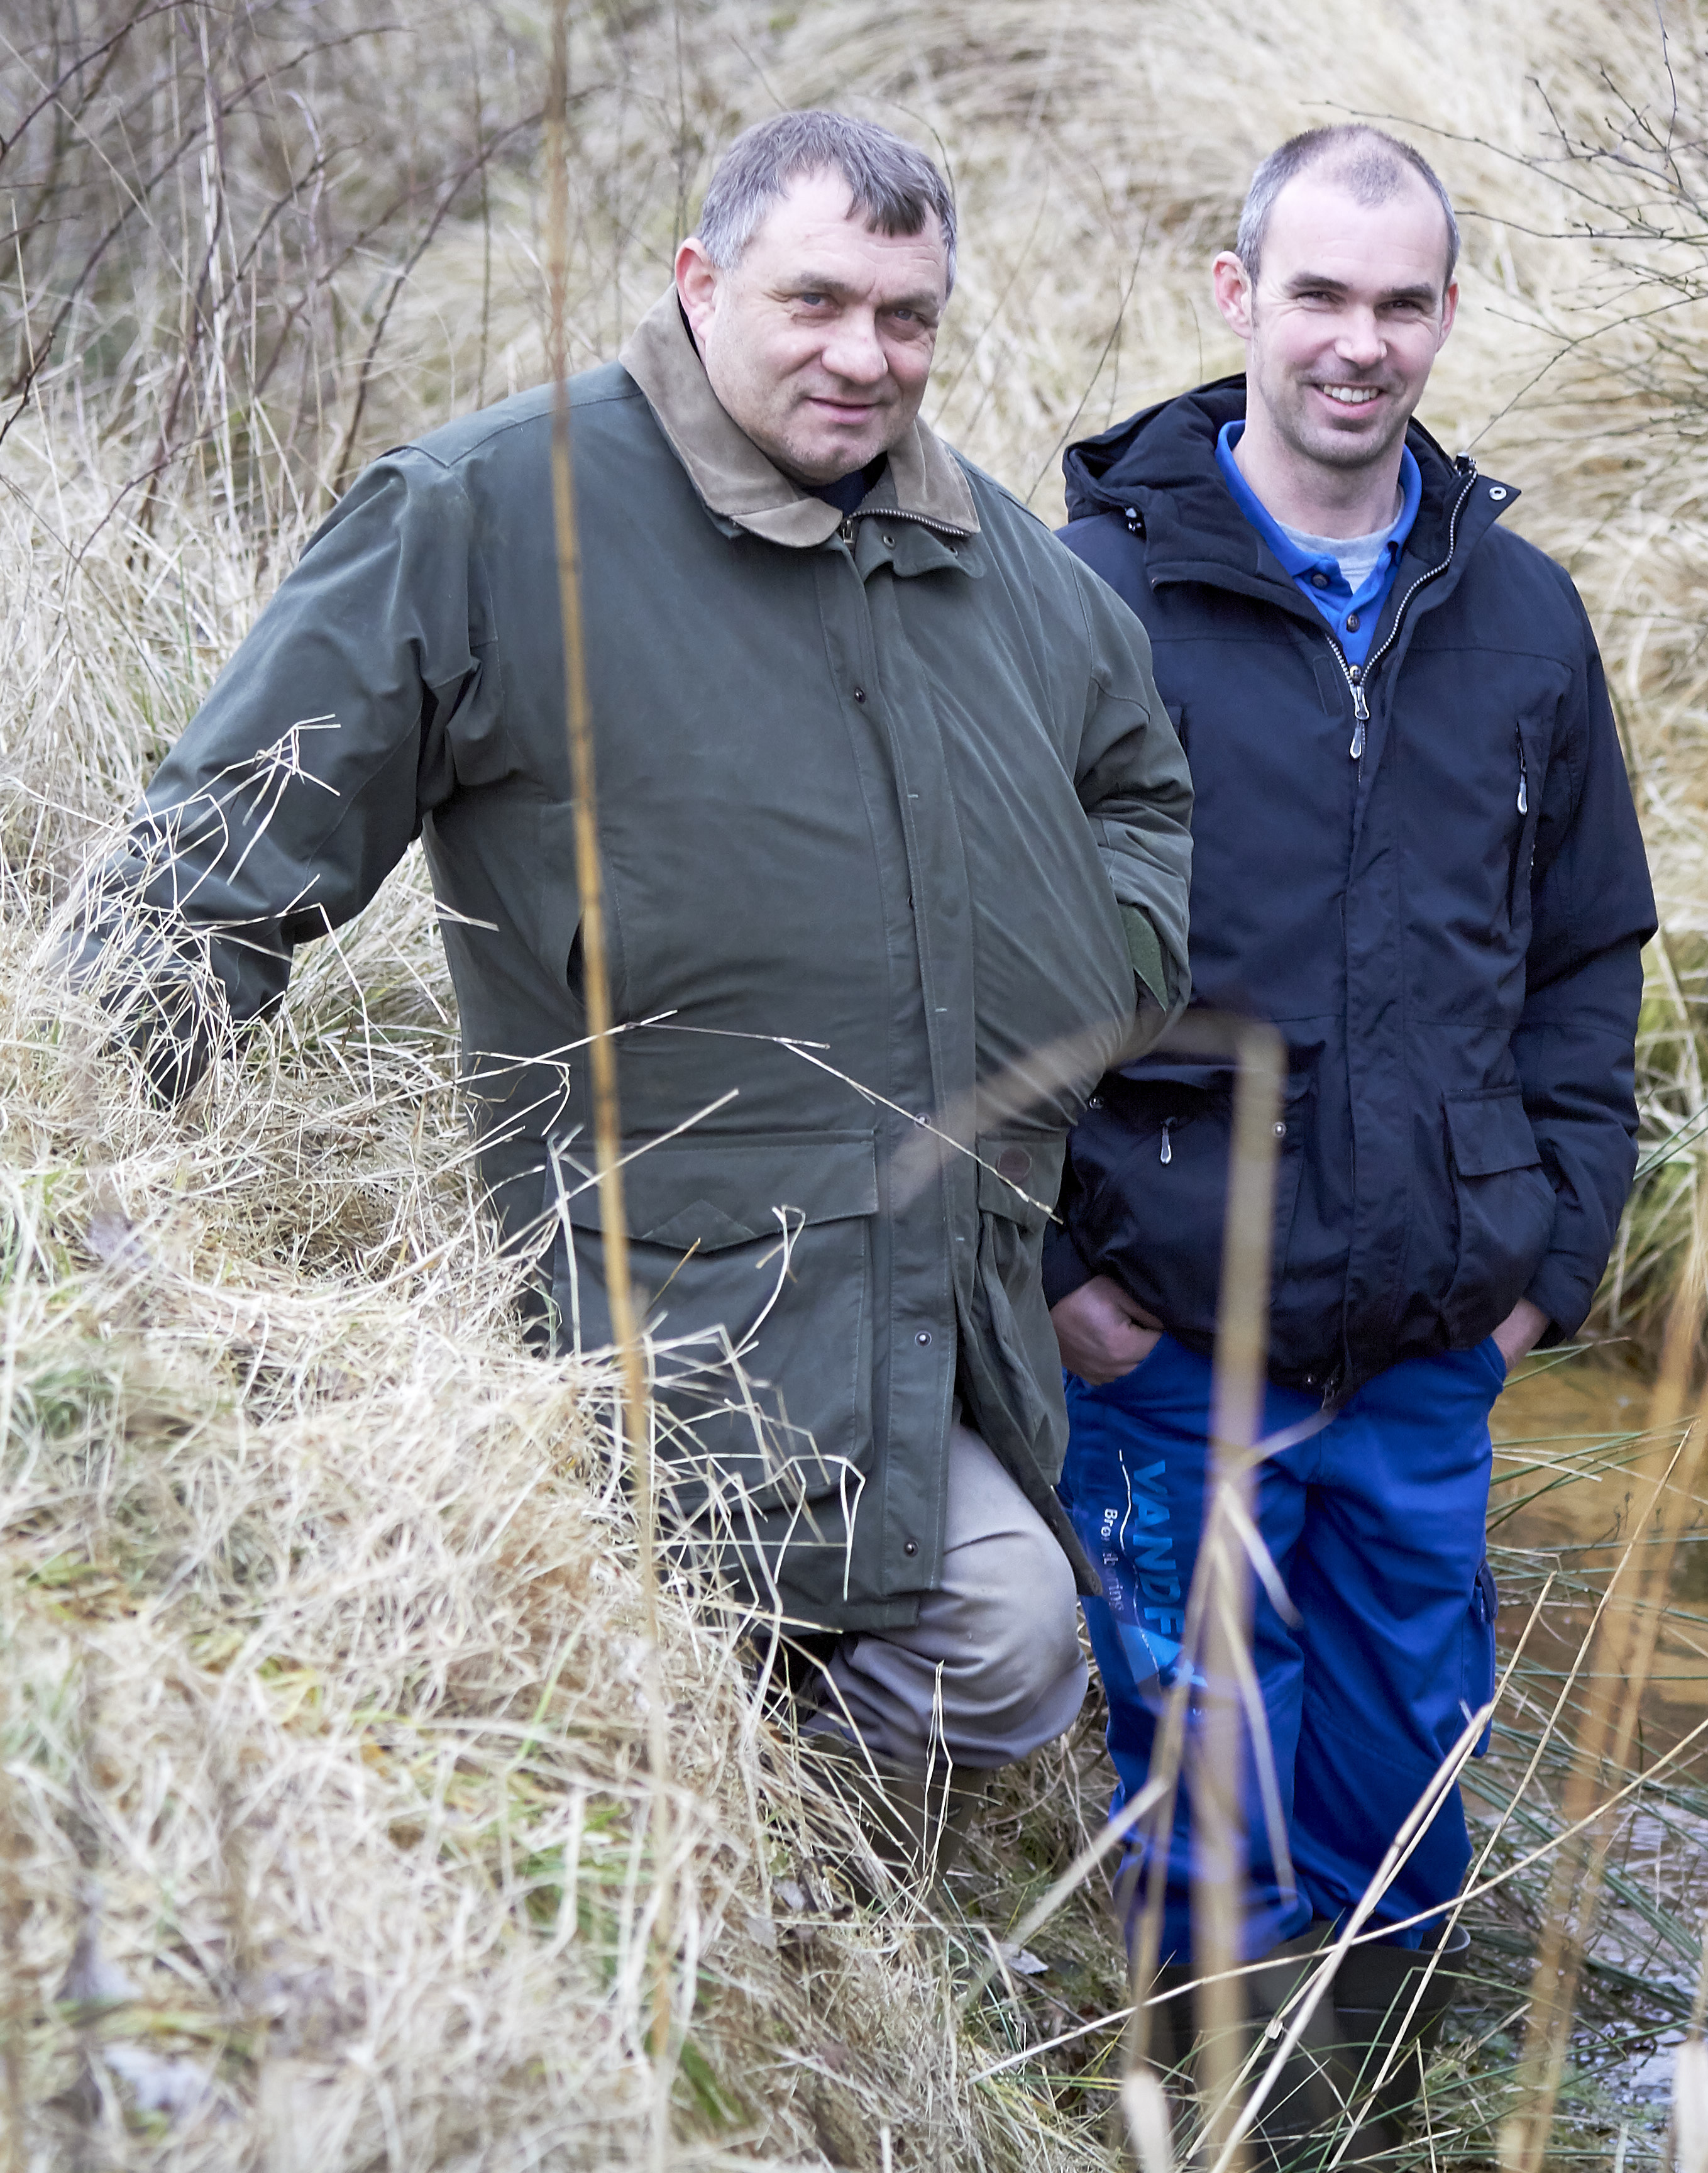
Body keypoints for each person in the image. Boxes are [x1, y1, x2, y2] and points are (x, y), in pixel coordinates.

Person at [58, 111, 1193, 1812]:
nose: (862, 356)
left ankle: (780, 1887)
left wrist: (1085, 971)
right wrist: (70, 1160)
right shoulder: (486, 511)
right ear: (696, 282)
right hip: (632, 1301)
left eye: (907, 318)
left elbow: (1143, 797)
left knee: (1012, 1641)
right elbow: (226, 844)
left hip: (928, 1299)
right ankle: (690, 1877)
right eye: (813, 300)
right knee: (659, 1662)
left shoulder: (1006, 569)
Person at [1043, 123, 1655, 2147]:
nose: (1359, 343)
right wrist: (1066, 1282)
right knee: (1205, 1834)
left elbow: (1585, 961)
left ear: (1447, 319)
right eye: (1319, 294)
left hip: (1425, 1347)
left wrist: (1549, 1266)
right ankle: (1218, 2124)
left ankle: (1384, 2122)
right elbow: (982, 953)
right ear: (1238, 302)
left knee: (1406, 1822)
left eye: (1402, 303)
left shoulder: (1525, 618)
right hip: (1167, 1348)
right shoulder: (1094, 595)